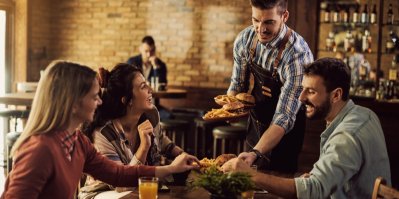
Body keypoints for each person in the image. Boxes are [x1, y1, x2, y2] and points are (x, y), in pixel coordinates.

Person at [1, 60, 198, 199]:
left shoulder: (77, 141)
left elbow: (119, 174)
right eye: (94, 96)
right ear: (73, 104)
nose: (100, 101)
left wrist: (171, 168)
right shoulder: (40, 150)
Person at [222, 57, 391, 198]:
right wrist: (317, 178)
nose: (301, 98)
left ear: (336, 95)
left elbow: (314, 190)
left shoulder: (347, 136)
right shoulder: (365, 114)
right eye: (303, 89)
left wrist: (250, 175)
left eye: (311, 91)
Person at [228, 0, 313, 172]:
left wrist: (255, 153)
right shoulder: (245, 39)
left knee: (276, 188)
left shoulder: (297, 56)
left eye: (269, 22)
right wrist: (228, 109)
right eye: (256, 20)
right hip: (256, 125)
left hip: (284, 138)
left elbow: (283, 117)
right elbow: (237, 85)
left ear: (284, 16)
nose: (260, 29)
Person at [79, 63, 184, 198]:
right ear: (127, 100)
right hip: (103, 194)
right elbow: (122, 185)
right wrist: (144, 147)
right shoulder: (104, 134)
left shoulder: (150, 115)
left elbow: (161, 141)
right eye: (143, 87)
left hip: (140, 189)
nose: (150, 89)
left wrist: (181, 155)